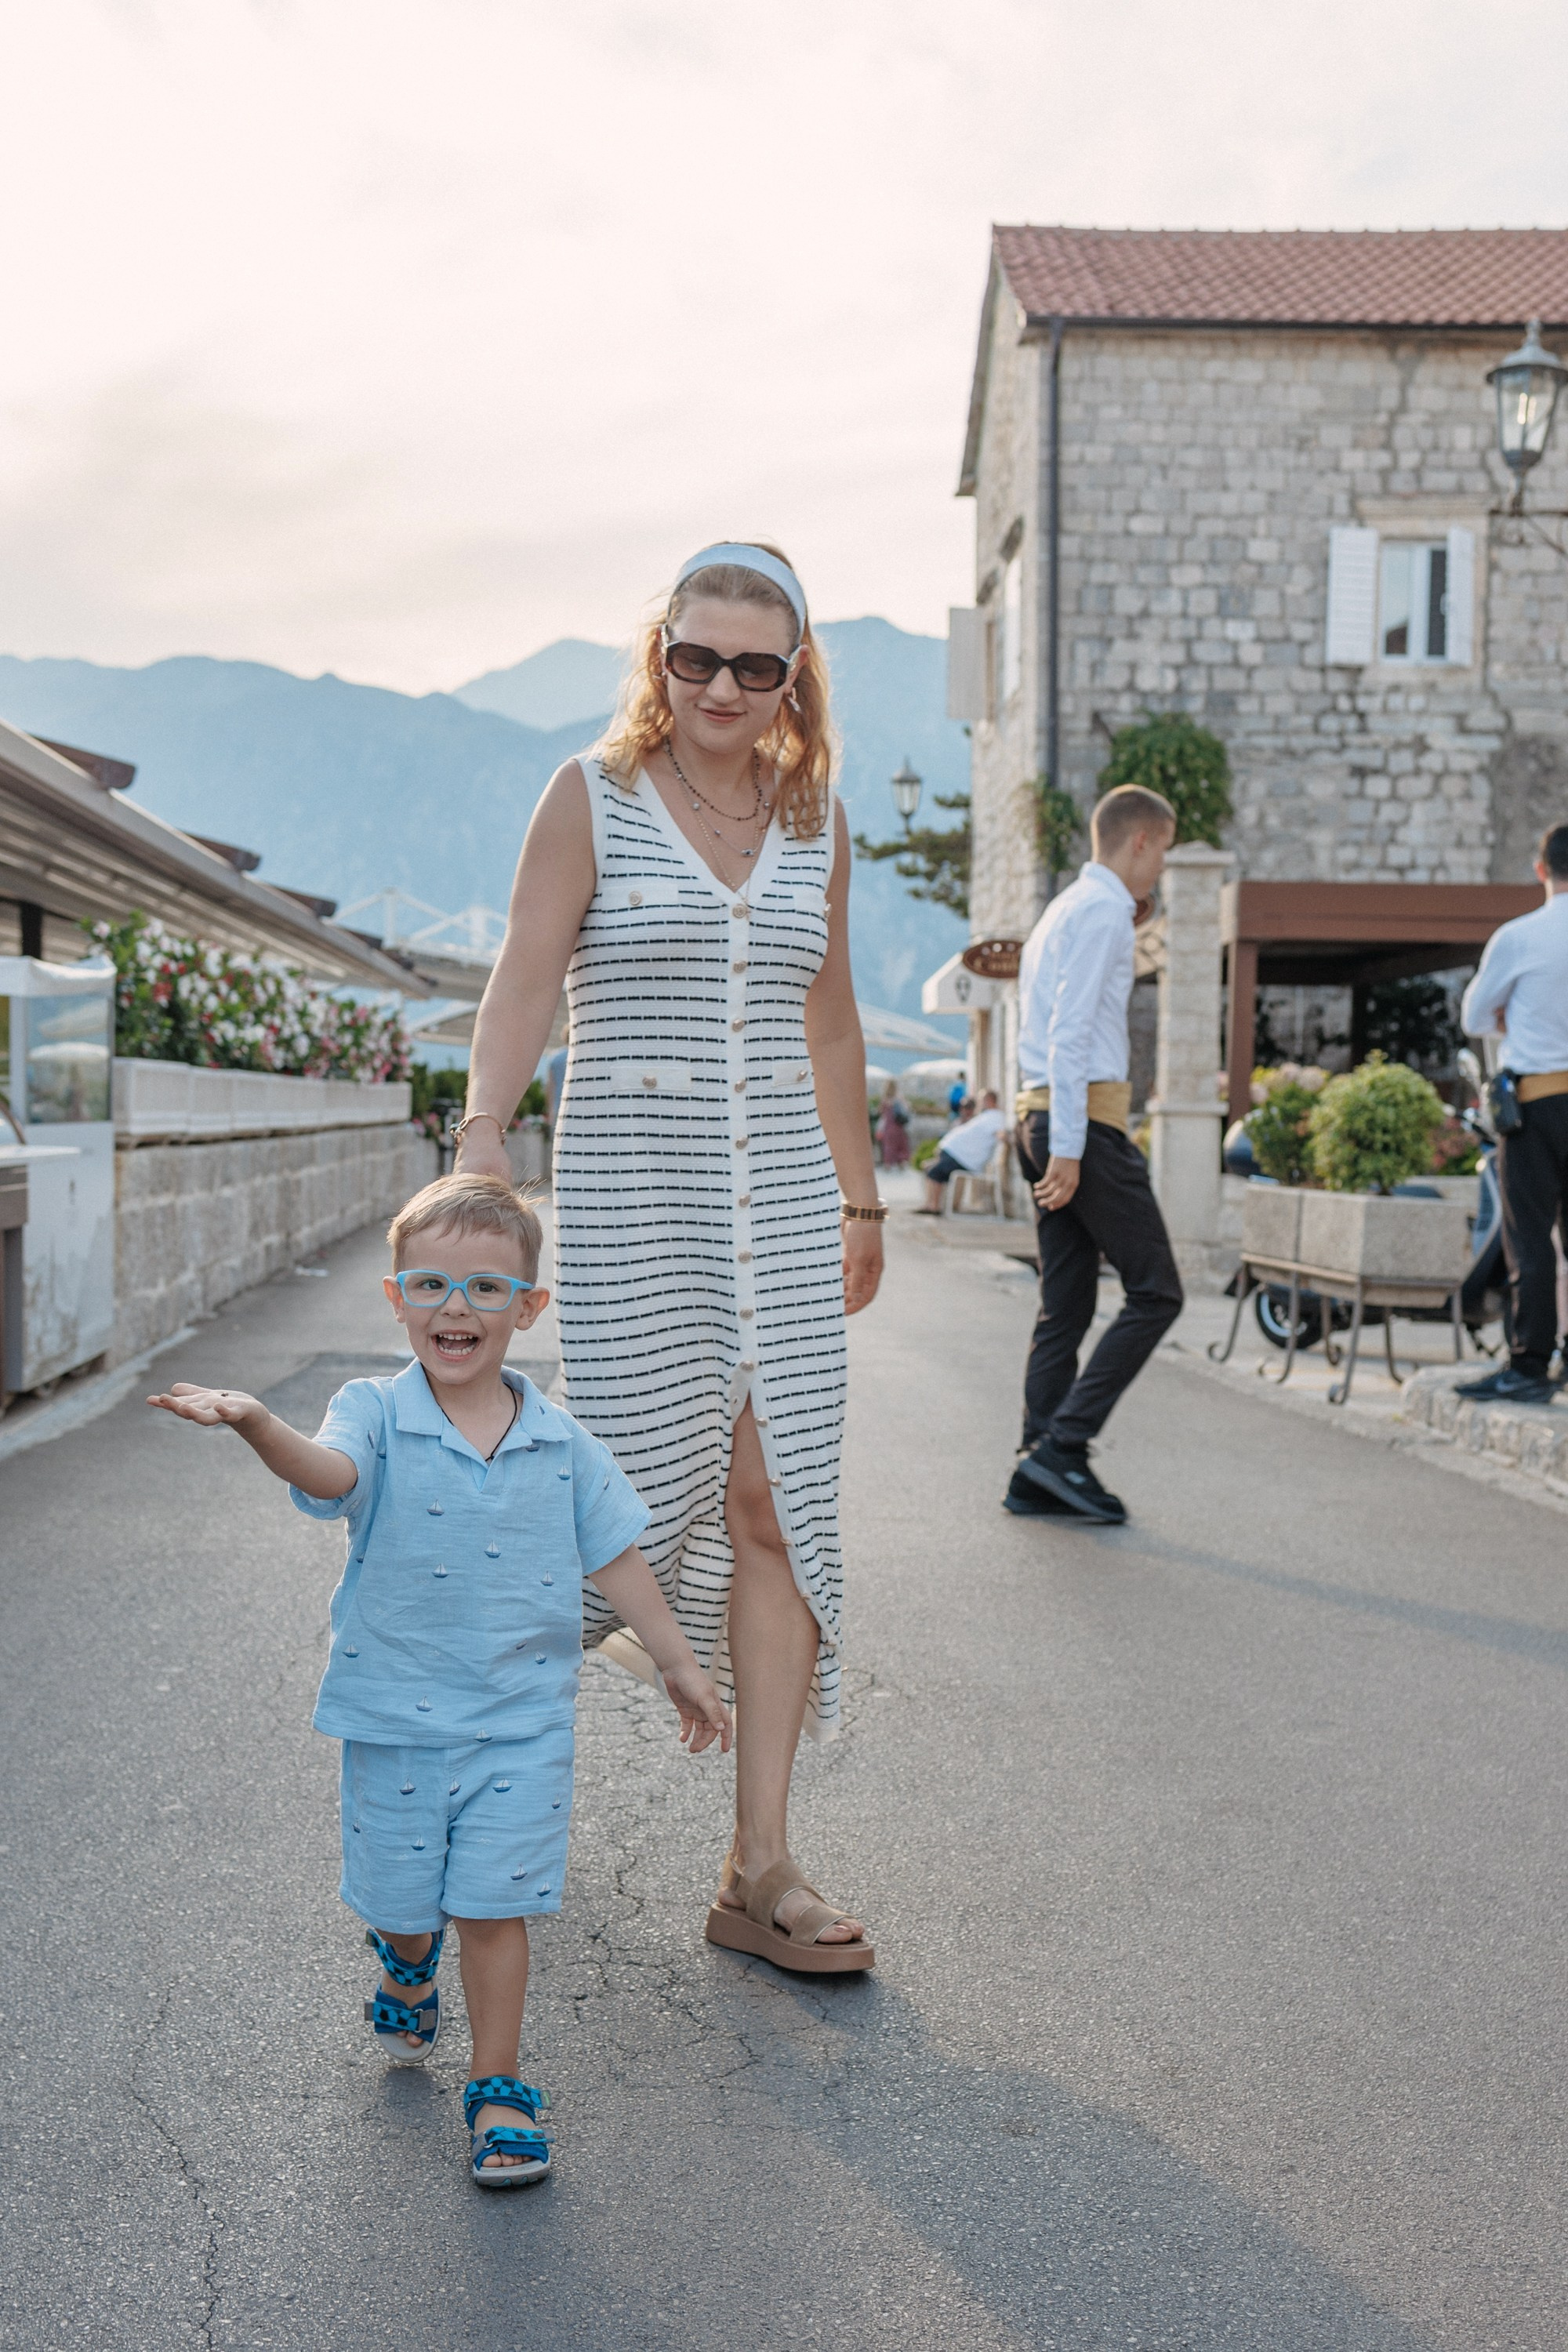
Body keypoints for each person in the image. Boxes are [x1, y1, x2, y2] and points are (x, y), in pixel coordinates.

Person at [452, 540, 882, 1973]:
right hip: (643, 1204)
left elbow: (830, 1020)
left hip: (786, 1212)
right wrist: (482, 1142)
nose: (719, 685)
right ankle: (455, 1771)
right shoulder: (592, 796)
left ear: (791, 679)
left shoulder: (815, 814)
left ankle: (760, 1864)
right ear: (662, 659)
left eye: (754, 665)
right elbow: (524, 972)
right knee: (611, 1514)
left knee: (778, 1504)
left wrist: (862, 1197)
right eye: (694, 656)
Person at [147, 1171, 731, 2188]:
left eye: (485, 1290)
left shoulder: (562, 1443)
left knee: (494, 1910)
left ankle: (498, 2087)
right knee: (409, 1901)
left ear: (528, 1309)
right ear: (395, 1298)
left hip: (521, 1727)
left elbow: (620, 1558)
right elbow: (331, 1481)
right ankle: (405, 1964)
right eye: (430, 1285)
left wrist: (680, 1663)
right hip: (396, 1723)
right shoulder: (369, 1411)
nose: (454, 1308)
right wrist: (256, 1423)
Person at [1006, 785, 1183, 1526]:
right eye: (1164, 854)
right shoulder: (1107, 909)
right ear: (1140, 841)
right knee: (1158, 1290)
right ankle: (1063, 1449)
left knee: (1066, 1305)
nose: (1161, 873)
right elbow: (1073, 1032)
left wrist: (1053, 1138)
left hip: (1038, 1114)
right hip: (1081, 1125)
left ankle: (1034, 1465)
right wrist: (1074, 1148)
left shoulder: (1061, 908)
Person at [1457, 819, 1568, 1404]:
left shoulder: (1520, 937)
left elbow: (1475, 1017)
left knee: (1530, 1237)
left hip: (1540, 1101)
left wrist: (1511, 1015)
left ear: (1541, 868)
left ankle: (1528, 1364)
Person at [916, 1087, 1006, 1212]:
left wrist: (1006, 1138)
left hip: (965, 1159)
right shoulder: (987, 1116)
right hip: (958, 1154)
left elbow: (1000, 1134)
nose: (979, 1103)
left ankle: (934, 1207)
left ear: (989, 1100)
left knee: (934, 1172)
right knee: (930, 1168)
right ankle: (930, 1204)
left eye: (981, 1100)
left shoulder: (995, 1117)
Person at [875, 1075, 912, 1168]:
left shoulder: (884, 1099)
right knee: (901, 1144)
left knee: (888, 1145)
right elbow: (907, 1108)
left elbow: (880, 1112)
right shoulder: (899, 1098)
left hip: (888, 1126)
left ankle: (888, 1163)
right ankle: (901, 1161)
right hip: (898, 1125)